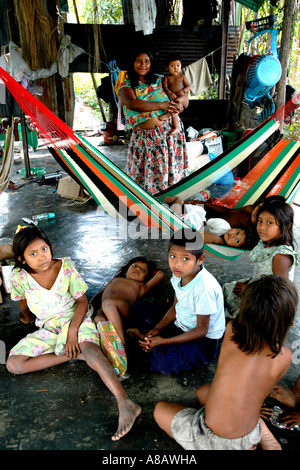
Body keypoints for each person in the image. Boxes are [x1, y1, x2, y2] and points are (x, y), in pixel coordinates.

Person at [6, 226, 141, 441]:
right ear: (22, 259)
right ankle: (75, 354)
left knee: (91, 350)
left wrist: (72, 333)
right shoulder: (18, 277)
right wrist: (26, 316)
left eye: (44, 249)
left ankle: (125, 402)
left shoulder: (65, 268)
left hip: (77, 319)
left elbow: (82, 300)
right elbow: (22, 300)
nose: (42, 256)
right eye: (33, 254)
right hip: (49, 328)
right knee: (14, 364)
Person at [153, 275, 298, 450]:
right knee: (203, 392)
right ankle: (259, 434)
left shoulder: (231, 332)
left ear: (243, 311)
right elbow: (258, 389)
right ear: (289, 324)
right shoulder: (285, 356)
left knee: (159, 410)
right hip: (246, 433)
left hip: (207, 439)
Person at [137, 228, 225, 374]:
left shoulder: (204, 288)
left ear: (200, 259)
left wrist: (163, 341)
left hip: (203, 341)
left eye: (185, 258)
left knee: (162, 362)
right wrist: (157, 329)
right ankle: (156, 342)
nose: (177, 264)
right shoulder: (179, 274)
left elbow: (201, 330)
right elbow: (176, 306)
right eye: (172, 256)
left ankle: (157, 344)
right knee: (140, 308)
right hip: (182, 324)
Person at [118, 49, 189, 195]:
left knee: (169, 171)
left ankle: (168, 200)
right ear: (132, 63)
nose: (143, 65)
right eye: (139, 61)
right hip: (145, 139)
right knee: (146, 174)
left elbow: (184, 98)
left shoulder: (161, 80)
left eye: (147, 61)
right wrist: (162, 105)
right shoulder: (126, 85)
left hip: (168, 133)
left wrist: (180, 104)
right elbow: (133, 103)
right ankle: (148, 203)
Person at [223, 198, 298, 318]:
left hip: (266, 302)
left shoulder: (280, 256)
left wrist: (249, 291)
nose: (262, 227)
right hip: (257, 286)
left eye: (269, 222)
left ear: (287, 225)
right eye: (260, 221)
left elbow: (280, 292)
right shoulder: (266, 242)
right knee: (227, 291)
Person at [90, 256, 164, 349]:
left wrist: (153, 271)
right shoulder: (115, 279)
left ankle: (122, 344)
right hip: (105, 308)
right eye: (135, 266)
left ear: (145, 278)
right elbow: (100, 294)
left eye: (143, 270)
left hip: (122, 309)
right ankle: (112, 348)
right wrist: (90, 305)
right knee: (98, 318)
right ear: (125, 272)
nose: (138, 269)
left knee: (107, 304)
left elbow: (160, 275)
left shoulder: (141, 286)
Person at [163, 195, 259, 249]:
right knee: (174, 219)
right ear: (236, 227)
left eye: (237, 240)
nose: (233, 236)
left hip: (193, 226)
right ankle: (177, 200)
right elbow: (206, 221)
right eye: (237, 232)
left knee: (173, 219)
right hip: (197, 220)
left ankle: (173, 204)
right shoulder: (223, 226)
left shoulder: (220, 240)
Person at [162, 54, 190, 134]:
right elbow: (165, 88)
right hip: (174, 100)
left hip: (183, 99)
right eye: (172, 66)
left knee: (176, 102)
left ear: (181, 66)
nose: (175, 68)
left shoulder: (182, 76)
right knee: (173, 107)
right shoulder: (166, 78)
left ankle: (167, 114)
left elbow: (188, 87)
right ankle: (176, 127)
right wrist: (170, 93)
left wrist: (183, 91)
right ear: (167, 68)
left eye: (178, 65)